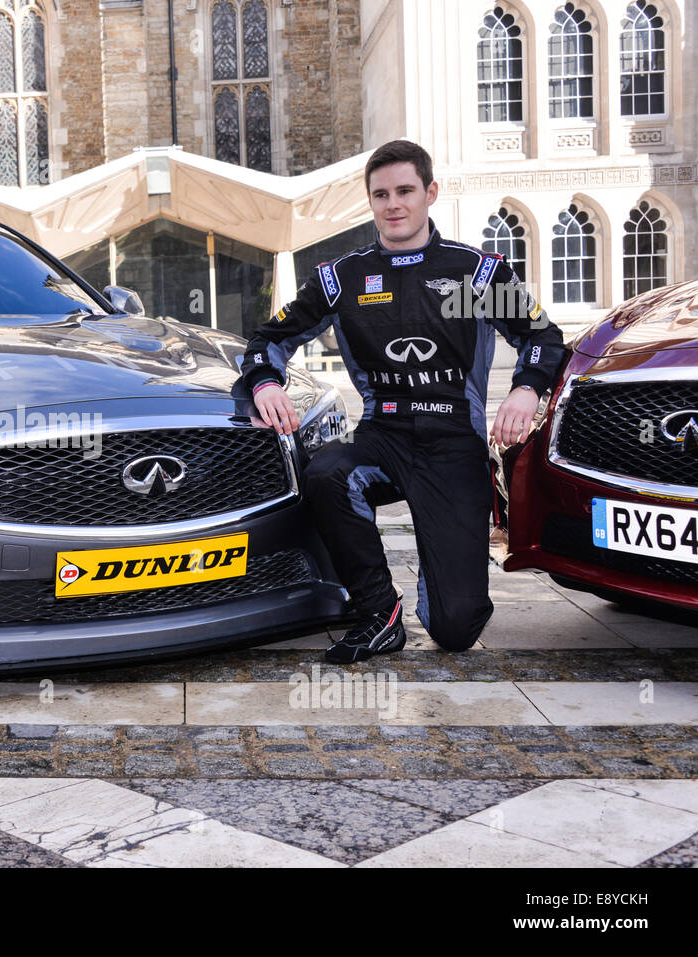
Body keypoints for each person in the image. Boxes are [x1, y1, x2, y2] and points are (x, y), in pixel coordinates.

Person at [239, 139, 565, 663]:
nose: (394, 204)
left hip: (454, 445)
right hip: (383, 439)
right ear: (370, 201)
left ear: (430, 193)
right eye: (381, 194)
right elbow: (266, 340)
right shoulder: (342, 278)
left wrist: (526, 389)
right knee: (326, 471)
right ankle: (378, 612)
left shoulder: (473, 274)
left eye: (406, 191)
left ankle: (440, 595)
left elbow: (545, 337)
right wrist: (265, 384)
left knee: (455, 629)